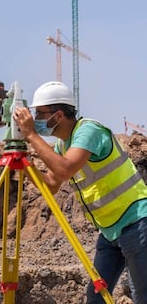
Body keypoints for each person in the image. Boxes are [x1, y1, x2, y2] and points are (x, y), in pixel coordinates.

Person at [13, 81, 147, 303]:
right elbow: (52, 185)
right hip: (109, 230)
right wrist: (24, 163)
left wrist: (31, 135)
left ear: (57, 115)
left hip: (136, 221)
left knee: (142, 295)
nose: (35, 119)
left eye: (40, 113)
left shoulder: (89, 131)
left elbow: (64, 169)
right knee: (96, 297)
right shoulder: (63, 146)